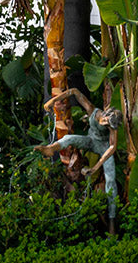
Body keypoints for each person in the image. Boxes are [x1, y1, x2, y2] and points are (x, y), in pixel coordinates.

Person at [36, 87, 120, 219]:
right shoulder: (93, 110)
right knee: (69, 138)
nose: (106, 126)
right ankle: (51, 148)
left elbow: (112, 147)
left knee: (110, 179)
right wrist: (53, 100)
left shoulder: (112, 127)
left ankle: (112, 218)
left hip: (104, 147)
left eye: (109, 125)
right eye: (106, 122)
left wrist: (95, 168)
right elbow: (74, 91)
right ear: (104, 115)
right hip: (90, 141)